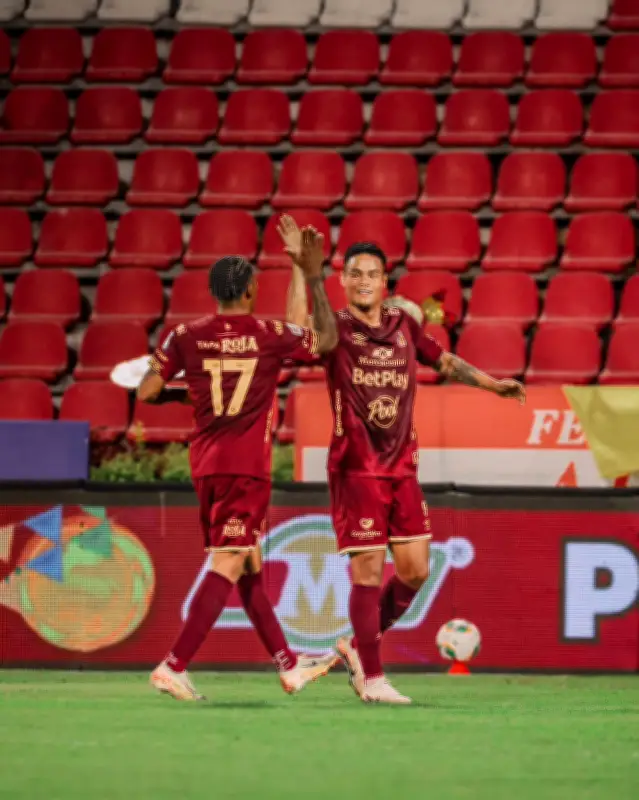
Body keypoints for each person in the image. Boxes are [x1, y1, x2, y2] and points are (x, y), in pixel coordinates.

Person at [280, 215, 526, 704]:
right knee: (368, 573)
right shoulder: (339, 328)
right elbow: (302, 335)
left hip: (402, 470)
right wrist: (303, 274)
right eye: (356, 273)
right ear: (344, 280)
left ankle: (355, 645)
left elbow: (446, 361)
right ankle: (372, 677)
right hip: (356, 470)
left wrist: (493, 384)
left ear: (384, 281)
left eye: (373, 273)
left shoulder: (404, 324)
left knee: (415, 570)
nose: (365, 281)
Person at [138, 227, 338, 701]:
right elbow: (320, 340)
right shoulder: (267, 335)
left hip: (206, 464)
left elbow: (146, 392)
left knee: (247, 563)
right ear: (250, 290)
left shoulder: (185, 335)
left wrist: (181, 391)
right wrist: (301, 269)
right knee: (230, 560)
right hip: (246, 467)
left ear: (213, 292)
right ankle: (174, 664)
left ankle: (289, 665)